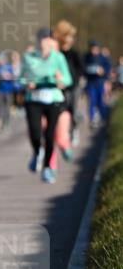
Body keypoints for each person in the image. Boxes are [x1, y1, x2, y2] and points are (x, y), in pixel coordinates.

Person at [19, 28, 72, 184]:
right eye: (41, 39)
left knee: (50, 135)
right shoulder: (28, 57)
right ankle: (37, 152)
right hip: (33, 99)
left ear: (51, 41)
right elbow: (20, 78)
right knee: (35, 132)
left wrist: (60, 80)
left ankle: (48, 167)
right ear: (37, 41)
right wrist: (26, 82)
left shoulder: (58, 58)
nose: (44, 42)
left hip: (52, 98)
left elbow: (68, 79)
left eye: (47, 39)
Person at [51, 20, 83, 162]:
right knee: (60, 111)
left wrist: (76, 81)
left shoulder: (74, 53)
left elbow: (80, 69)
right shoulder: (56, 52)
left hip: (73, 86)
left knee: (72, 108)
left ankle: (73, 131)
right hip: (59, 87)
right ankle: (62, 138)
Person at [83, 40, 110, 127]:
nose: (94, 50)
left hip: (100, 83)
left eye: (95, 49)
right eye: (92, 49)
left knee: (100, 102)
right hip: (90, 83)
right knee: (92, 101)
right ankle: (92, 119)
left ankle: (104, 118)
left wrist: (104, 72)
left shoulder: (103, 57)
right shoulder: (86, 57)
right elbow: (82, 68)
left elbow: (108, 68)